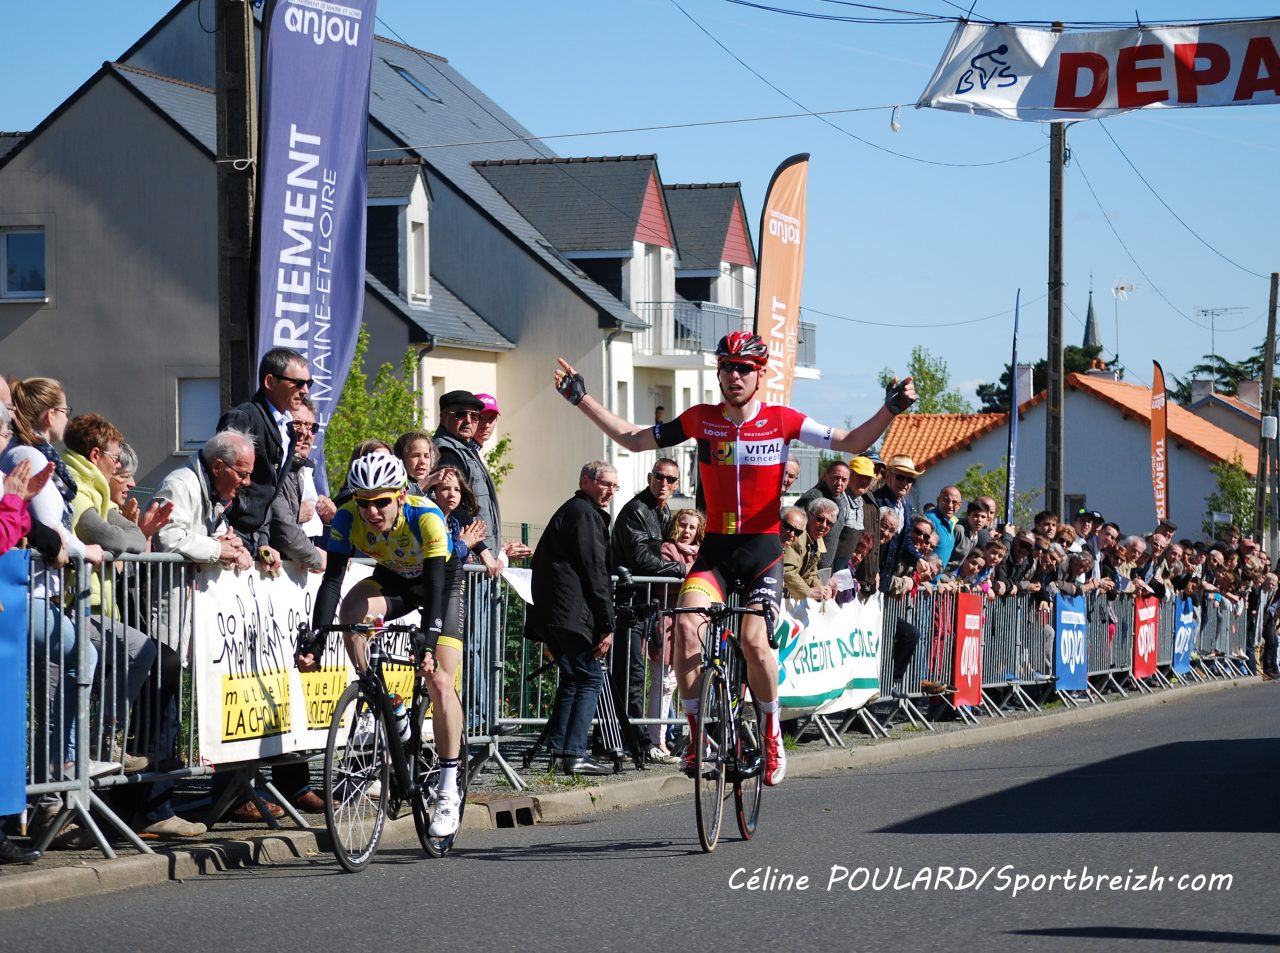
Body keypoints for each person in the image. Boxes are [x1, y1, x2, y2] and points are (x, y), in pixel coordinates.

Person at [553, 331, 915, 785]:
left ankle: (769, 732)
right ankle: (695, 738)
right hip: (717, 551)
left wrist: (891, 409)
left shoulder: (782, 420)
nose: (734, 375)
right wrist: (581, 398)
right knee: (685, 627)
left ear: (760, 375)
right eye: (727, 367)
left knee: (753, 641)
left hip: (762, 551)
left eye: (744, 368)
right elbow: (632, 438)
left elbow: (849, 441)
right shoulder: (702, 420)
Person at [297, 453, 465, 837]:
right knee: (352, 609)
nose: (372, 511)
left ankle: (448, 787)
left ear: (401, 497)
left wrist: (429, 644)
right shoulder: (346, 518)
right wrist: (318, 639)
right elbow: (332, 582)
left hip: (441, 586)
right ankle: (381, 698)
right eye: (363, 502)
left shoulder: (427, 517)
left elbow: (437, 589)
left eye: (381, 502)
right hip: (395, 580)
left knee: (440, 680)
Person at [1, 378, 109, 782]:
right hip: (23, 587)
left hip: (33, 587)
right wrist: (83, 551)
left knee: (69, 663)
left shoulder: (33, 454)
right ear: (50, 415)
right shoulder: (28, 454)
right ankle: (60, 762)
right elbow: (43, 524)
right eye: (66, 410)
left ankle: (54, 769)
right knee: (82, 654)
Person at [522, 461, 618, 776]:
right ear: (587, 481)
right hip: (569, 612)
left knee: (574, 679)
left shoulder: (578, 511)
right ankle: (574, 752)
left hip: (557, 611)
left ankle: (560, 751)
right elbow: (595, 571)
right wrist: (607, 623)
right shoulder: (584, 513)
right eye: (606, 484)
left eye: (615, 486)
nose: (610, 492)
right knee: (590, 677)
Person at [608, 457, 688, 754]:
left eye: (670, 479)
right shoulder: (636, 510)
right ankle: (631, 739)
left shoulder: (664, 512)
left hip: (648, 603)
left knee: (649, 674)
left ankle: (643, 737)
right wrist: (680, 570)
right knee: (631, 673)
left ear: (677, 484)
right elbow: (641, 559)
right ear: (649, 477)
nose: (664, 483)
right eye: (659, 477)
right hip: (628, 601)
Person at [215, 346, 304, 569]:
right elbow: (219, 484)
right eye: (298, 383)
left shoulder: (288, 431)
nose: (305, 391)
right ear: (270, 382)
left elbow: (269, 493)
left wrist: (263, 541)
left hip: (255, 543)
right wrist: (227, 537)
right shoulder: (243, 418)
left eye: (308, 384)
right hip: (230, 542)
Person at [648, 508, 704, 760]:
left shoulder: (699, 553)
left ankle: (675, 737)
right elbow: (687, 574)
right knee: (664, 683)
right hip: (668, 622)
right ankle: (655, 741)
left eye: (692, 527)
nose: (687, 531)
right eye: (683, 525)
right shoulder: (668, 550)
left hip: (690, 625)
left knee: (681, 684)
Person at [428, 465, 487, 663]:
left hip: (447, 595)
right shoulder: (427, 517)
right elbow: (437, 558)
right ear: (433, 492)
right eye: (445, 488)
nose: (451, 494)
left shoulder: (454, 523)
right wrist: (464, 545)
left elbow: (452, 564)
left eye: (456, 489)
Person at [268, 401, 326, 572]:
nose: (305, 433)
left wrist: (329, 520)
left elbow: (313, 533)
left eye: (311, 427)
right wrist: (295, 513)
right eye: (297, 424)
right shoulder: (273, 468)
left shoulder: (306, 470)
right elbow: (276, 525)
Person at [796, 459, 851, 573]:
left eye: (844, 480)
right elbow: (797, 535)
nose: (839, 483)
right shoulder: (813, 498)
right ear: (826, 476)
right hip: (807, 571)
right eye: (836, 477)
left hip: (825, 571)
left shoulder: (840, 501)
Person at [782, 500, 838, 602]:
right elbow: (787, 571)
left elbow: (810, 574)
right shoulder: (797, 537)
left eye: (829, 523)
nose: (824, 525)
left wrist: (823, 589)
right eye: (820, 519)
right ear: (809, 516)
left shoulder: (817, 542)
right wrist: (810, 592)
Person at [395, 429, 438, 496]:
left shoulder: (434, 489)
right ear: (401, 458)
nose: (422, 461)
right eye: (415, 456)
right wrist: (428, 481)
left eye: (426, 456)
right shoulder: (395, 485)